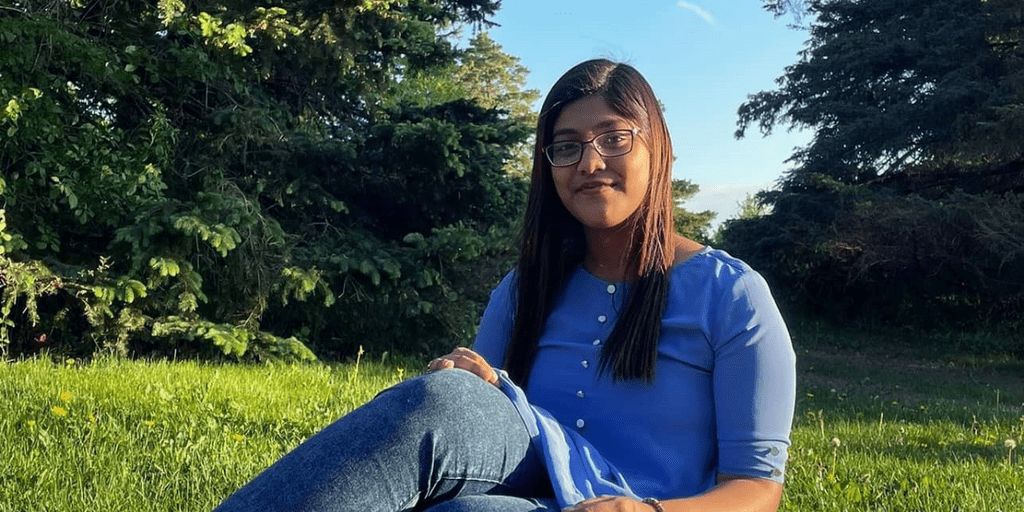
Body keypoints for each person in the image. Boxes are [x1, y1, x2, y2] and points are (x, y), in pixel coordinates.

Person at [212, 59, 796, 512]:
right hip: (534, 486)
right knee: (444, 408)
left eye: (614, 138)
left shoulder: (732, 296)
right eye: (567, 147)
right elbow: (473, 422)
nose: (590, 163)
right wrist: (485, 386)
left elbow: (758, 489)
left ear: (657, 148)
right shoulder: (524, 291)